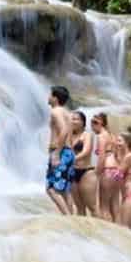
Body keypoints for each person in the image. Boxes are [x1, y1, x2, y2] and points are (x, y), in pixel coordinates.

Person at [43, 85, 74, 213]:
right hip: (68, 152)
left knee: (51, 189)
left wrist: (56, 153)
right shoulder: (66, 112)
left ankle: (67, 218)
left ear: (55, 98)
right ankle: (72, 219)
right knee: (65, 190)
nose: (48, 97)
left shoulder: (55, 112)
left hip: (61, 152)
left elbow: (64, 130)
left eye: (50, 95)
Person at [92, 112, 120, 222]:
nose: (92, 126)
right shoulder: (112, 136)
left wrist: (96, 173)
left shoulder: (101, 136)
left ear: (99, 124)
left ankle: (108, 236)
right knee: (115, 206)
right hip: (117, 170)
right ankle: (120, 233)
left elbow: (102, 157)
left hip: (107, 170)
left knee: (104, 207)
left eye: (93, 123)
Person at [69, 111, 97, 216]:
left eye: (76, 119)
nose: (73, 121)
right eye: (72, 119)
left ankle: (101, 230)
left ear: (83, 122)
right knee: (79, 206)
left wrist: (72, 159)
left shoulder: (87, 135)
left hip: (86, 172)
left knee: (92, 206)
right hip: (72, 172)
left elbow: (86, 151)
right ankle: (83, 231)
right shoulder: (69, 135)